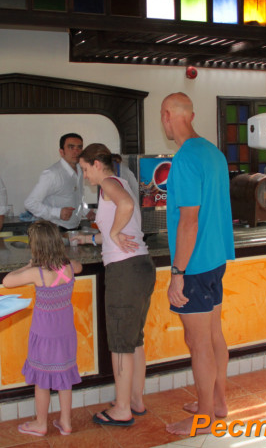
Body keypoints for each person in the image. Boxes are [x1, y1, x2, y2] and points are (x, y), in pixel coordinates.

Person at [160, 92, 235, 436]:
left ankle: (204, 418)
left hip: (195, 265)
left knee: (198, 342)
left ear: (167, 116)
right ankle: (218, 403)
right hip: (215, 259)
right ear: (190, 115)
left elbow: (189, 222)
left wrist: (177, 273)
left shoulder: (185, 158)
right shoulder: (213, 153)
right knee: (214, 335)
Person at [74, 143, 156, 427]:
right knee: (134, 339)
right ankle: (134, 400)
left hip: (125, 271)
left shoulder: (109, 183)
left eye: (85, 169)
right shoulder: (119, 183)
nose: (85, 176)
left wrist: (114, 231)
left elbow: (126, 207)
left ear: (97, 164)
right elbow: (120, 227)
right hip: (140, 266)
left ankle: (122, 409)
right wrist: (90, 239)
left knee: (121, 342)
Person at [2, 220, 83, 437]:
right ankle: (66, 422)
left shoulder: (37, 273)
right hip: (66, 333)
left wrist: (27, 266)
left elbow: (7, 281)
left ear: (36, 247)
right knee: (64, 377)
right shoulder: (69, 267)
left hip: (44, 334)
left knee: (42, 380)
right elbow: (79, 266)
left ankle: (41, 423)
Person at [24, 133, 90, 230]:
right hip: (55, 229)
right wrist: (58, 213)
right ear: (61, 152)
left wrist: (86, 211)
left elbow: (76, 198)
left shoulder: (80, 170)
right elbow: (30, 203)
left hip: (74, 228)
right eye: (71, 147)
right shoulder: (52, 174)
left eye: (79, 147)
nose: (76, 151)